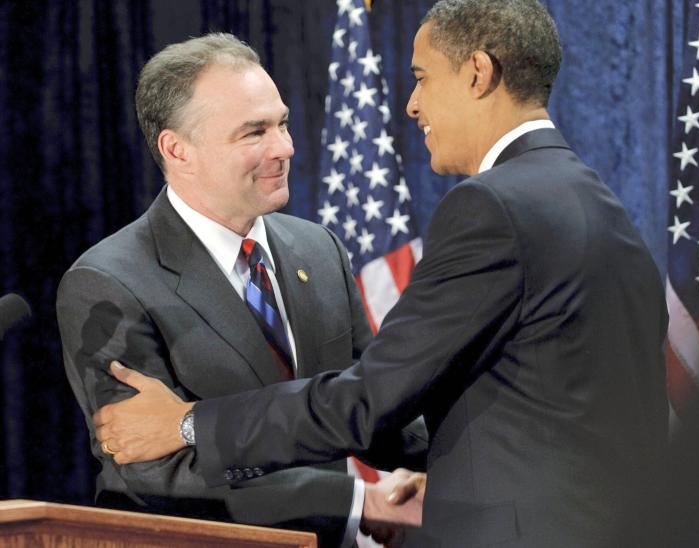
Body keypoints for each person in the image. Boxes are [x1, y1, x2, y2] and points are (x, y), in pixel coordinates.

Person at [93, 2, 669, 546]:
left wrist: (191, 424)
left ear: (477, 72)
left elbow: (368, 399)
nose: (412, 104)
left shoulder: (492, 208)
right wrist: (461, 484)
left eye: (421, 77)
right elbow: (546, 407)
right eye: (254, 131)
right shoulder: (595, 202)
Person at [56, 32, 426, 548]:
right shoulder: (110, 282)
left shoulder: (318, 249)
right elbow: (155, 474)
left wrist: (466, 460)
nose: (285, 148)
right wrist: (355, 503)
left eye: (282, 123)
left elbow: (373, 409)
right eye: (254, 132)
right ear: (177, 149)